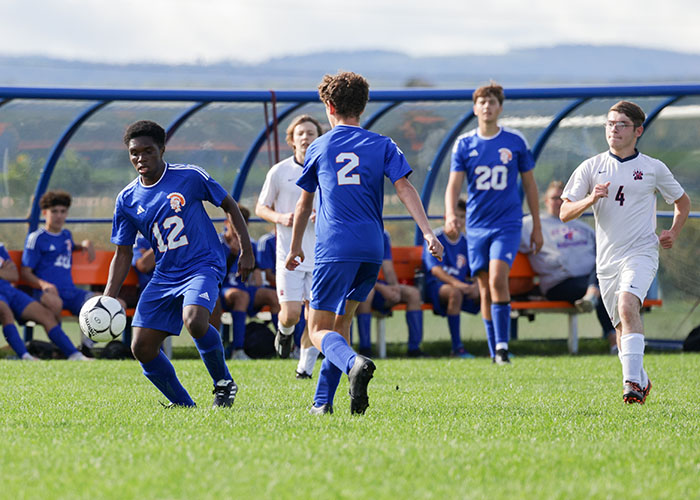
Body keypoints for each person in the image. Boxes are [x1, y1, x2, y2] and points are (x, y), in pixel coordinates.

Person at [285, 71, 443, 415]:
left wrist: (296, 246)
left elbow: (303, 203)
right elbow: (405, 188)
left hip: (335, 248)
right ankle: (322, 403)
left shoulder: (320, 146)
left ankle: (354, 363)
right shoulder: (383, 144)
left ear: (328, 106)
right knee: (341, 325)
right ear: (363, 106)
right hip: (372, 248)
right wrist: (428, 232)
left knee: (316, 329)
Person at [103, 120, 255, 408]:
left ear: (162, 149)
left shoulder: (189, 176)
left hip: (203, 263)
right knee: (141, 347)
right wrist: (108, 299)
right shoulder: (126, 199)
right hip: (166, 273)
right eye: (134, 153)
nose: (141, 158)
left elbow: (230, 205)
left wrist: (247, 251)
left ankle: (223, 383)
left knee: (195, 320)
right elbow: (123, 253)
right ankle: (185, 406)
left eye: (148, 151)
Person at [560, 100, 690, 404]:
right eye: (609, 123)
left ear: (638, 130)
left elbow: (681, 203)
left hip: (642, 252)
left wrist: (672, 231)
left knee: (628, 305)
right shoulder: (591, 167)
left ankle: (630, 383)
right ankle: (641, 379)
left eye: (621, 124)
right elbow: (565, 211)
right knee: (621, 325)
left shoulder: (652, 168)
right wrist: (590, 199)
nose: (614, 129)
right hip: (607, 261)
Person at [444, 82, 543, 364]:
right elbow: (454, 185)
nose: (487, 107)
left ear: (500, 107)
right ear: (475, 108)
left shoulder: (515, 141)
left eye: (492, 102)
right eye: (482, 102)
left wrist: (536, 224)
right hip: (476, 226)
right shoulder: (464, 144)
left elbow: (530, 184)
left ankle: (501, 347)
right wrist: (451, 214)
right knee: (485, 287)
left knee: (499, 278)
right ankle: (495, 349)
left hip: (507, 223)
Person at [256, 114, 324, 378]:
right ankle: (284, 334)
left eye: (311, 133)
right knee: (291, 314)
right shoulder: (280, 171)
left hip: (320, 256)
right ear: (292, 141)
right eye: (301, 134)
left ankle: (304, 369)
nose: (306, 137)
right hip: (290, 255)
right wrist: (281, 218)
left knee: (315, 315)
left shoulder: (326, 169)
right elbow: (261, 207)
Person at [520, 180, 616, 351]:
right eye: (554, 198)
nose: (558, 202)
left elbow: (605, 251)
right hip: (559, 282)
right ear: (545, 200)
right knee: (603, 289)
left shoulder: (580, 226)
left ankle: (592, 292)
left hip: (589, 277)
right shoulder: (531, 225)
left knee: (602, 265)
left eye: (562, 198)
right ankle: (615, 340)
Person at [21, 189, 104, 355]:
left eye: (63, 211)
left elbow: (69, 247)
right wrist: (44, 285)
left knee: (100, 303)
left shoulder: (66, 235)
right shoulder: (36, 238)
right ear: (45, 213)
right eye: (54, 211)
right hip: (44, 294)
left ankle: (86, 348)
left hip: (71, 293)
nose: (59, 216)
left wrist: (85, 244)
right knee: (55, 303)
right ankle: (61, 348)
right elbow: (25, 272)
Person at [0, 242, 88, 360]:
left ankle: (73, 354)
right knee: (5, 312)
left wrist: (6, 273)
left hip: (9, 291)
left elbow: (14, 275)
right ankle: (24, 355)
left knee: (46, 315)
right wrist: (3, 272)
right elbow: (10, 273)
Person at [422, 199, 480, 358]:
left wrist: (476, 285)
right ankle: (457, 347)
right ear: (446, 216)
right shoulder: (435, 237)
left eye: (462, 217)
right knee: (455, 293)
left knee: (490, 292)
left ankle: (497, 346)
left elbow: (475, 269)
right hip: (436, 287)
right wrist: (461, 285)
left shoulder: (467, 242)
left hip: (461, 287)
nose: (459, 221)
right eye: (455, 216)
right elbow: (435, 271)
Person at [219, 207, 279, 360]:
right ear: (227, 223)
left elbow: (257, 273)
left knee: (273, 296)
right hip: (223, 290)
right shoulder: (218, 243)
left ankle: (285, 346)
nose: (238, 230)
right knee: (241, 296)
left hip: (244, 289)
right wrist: (232, 256)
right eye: (235, 225)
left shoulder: (250, 245)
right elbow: (215, 275)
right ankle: (237, 350)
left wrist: (256, 276)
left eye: (242, 226)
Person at [355, 229, 425, 357]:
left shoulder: (383, 234)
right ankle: (365, 349)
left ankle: (414, 349)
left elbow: (388, 268)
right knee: (367, 293)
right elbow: (356, 274)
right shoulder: (355, 232)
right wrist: (382, 288)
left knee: (414, 294)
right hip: (358, 286)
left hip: (379, 286)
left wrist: (394, 288)